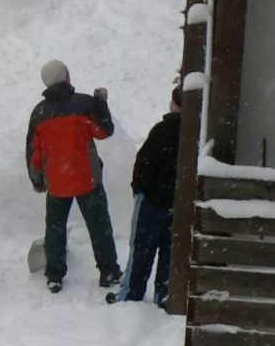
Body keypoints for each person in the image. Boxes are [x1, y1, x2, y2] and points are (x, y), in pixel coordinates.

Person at [26, 59, 120, 294]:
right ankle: (109, 271)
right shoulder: (84, 104)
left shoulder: (39, 113)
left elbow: (34, 151)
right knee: (99, 227)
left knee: (55, 229)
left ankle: (55, 275)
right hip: (86, 178)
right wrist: (101, 103)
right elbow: (104, 130)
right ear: (66, 76)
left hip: (57, 182)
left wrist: (37, 179)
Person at [114, 86, 182, 308]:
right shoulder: (195, 132)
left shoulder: (162, 130)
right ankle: (164, 294)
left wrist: (139, 188)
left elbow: (144, 162)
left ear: (175, 104)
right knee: (170, 251)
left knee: (141, 249)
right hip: (179, 202)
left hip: (152, 200)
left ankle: (131, 294)